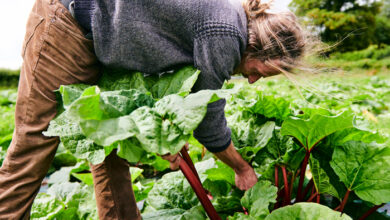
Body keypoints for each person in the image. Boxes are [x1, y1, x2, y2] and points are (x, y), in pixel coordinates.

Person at [0, 0, 306, 219]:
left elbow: (162, 62)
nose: (252, 80)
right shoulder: (226, 33)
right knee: (35, 141)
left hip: (100, 42)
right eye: (261, 72)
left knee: (110, 150)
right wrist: (241, 168)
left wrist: (162, 133)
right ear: (261, 47)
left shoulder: (228, 20)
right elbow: (209, 119)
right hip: (66, 25)